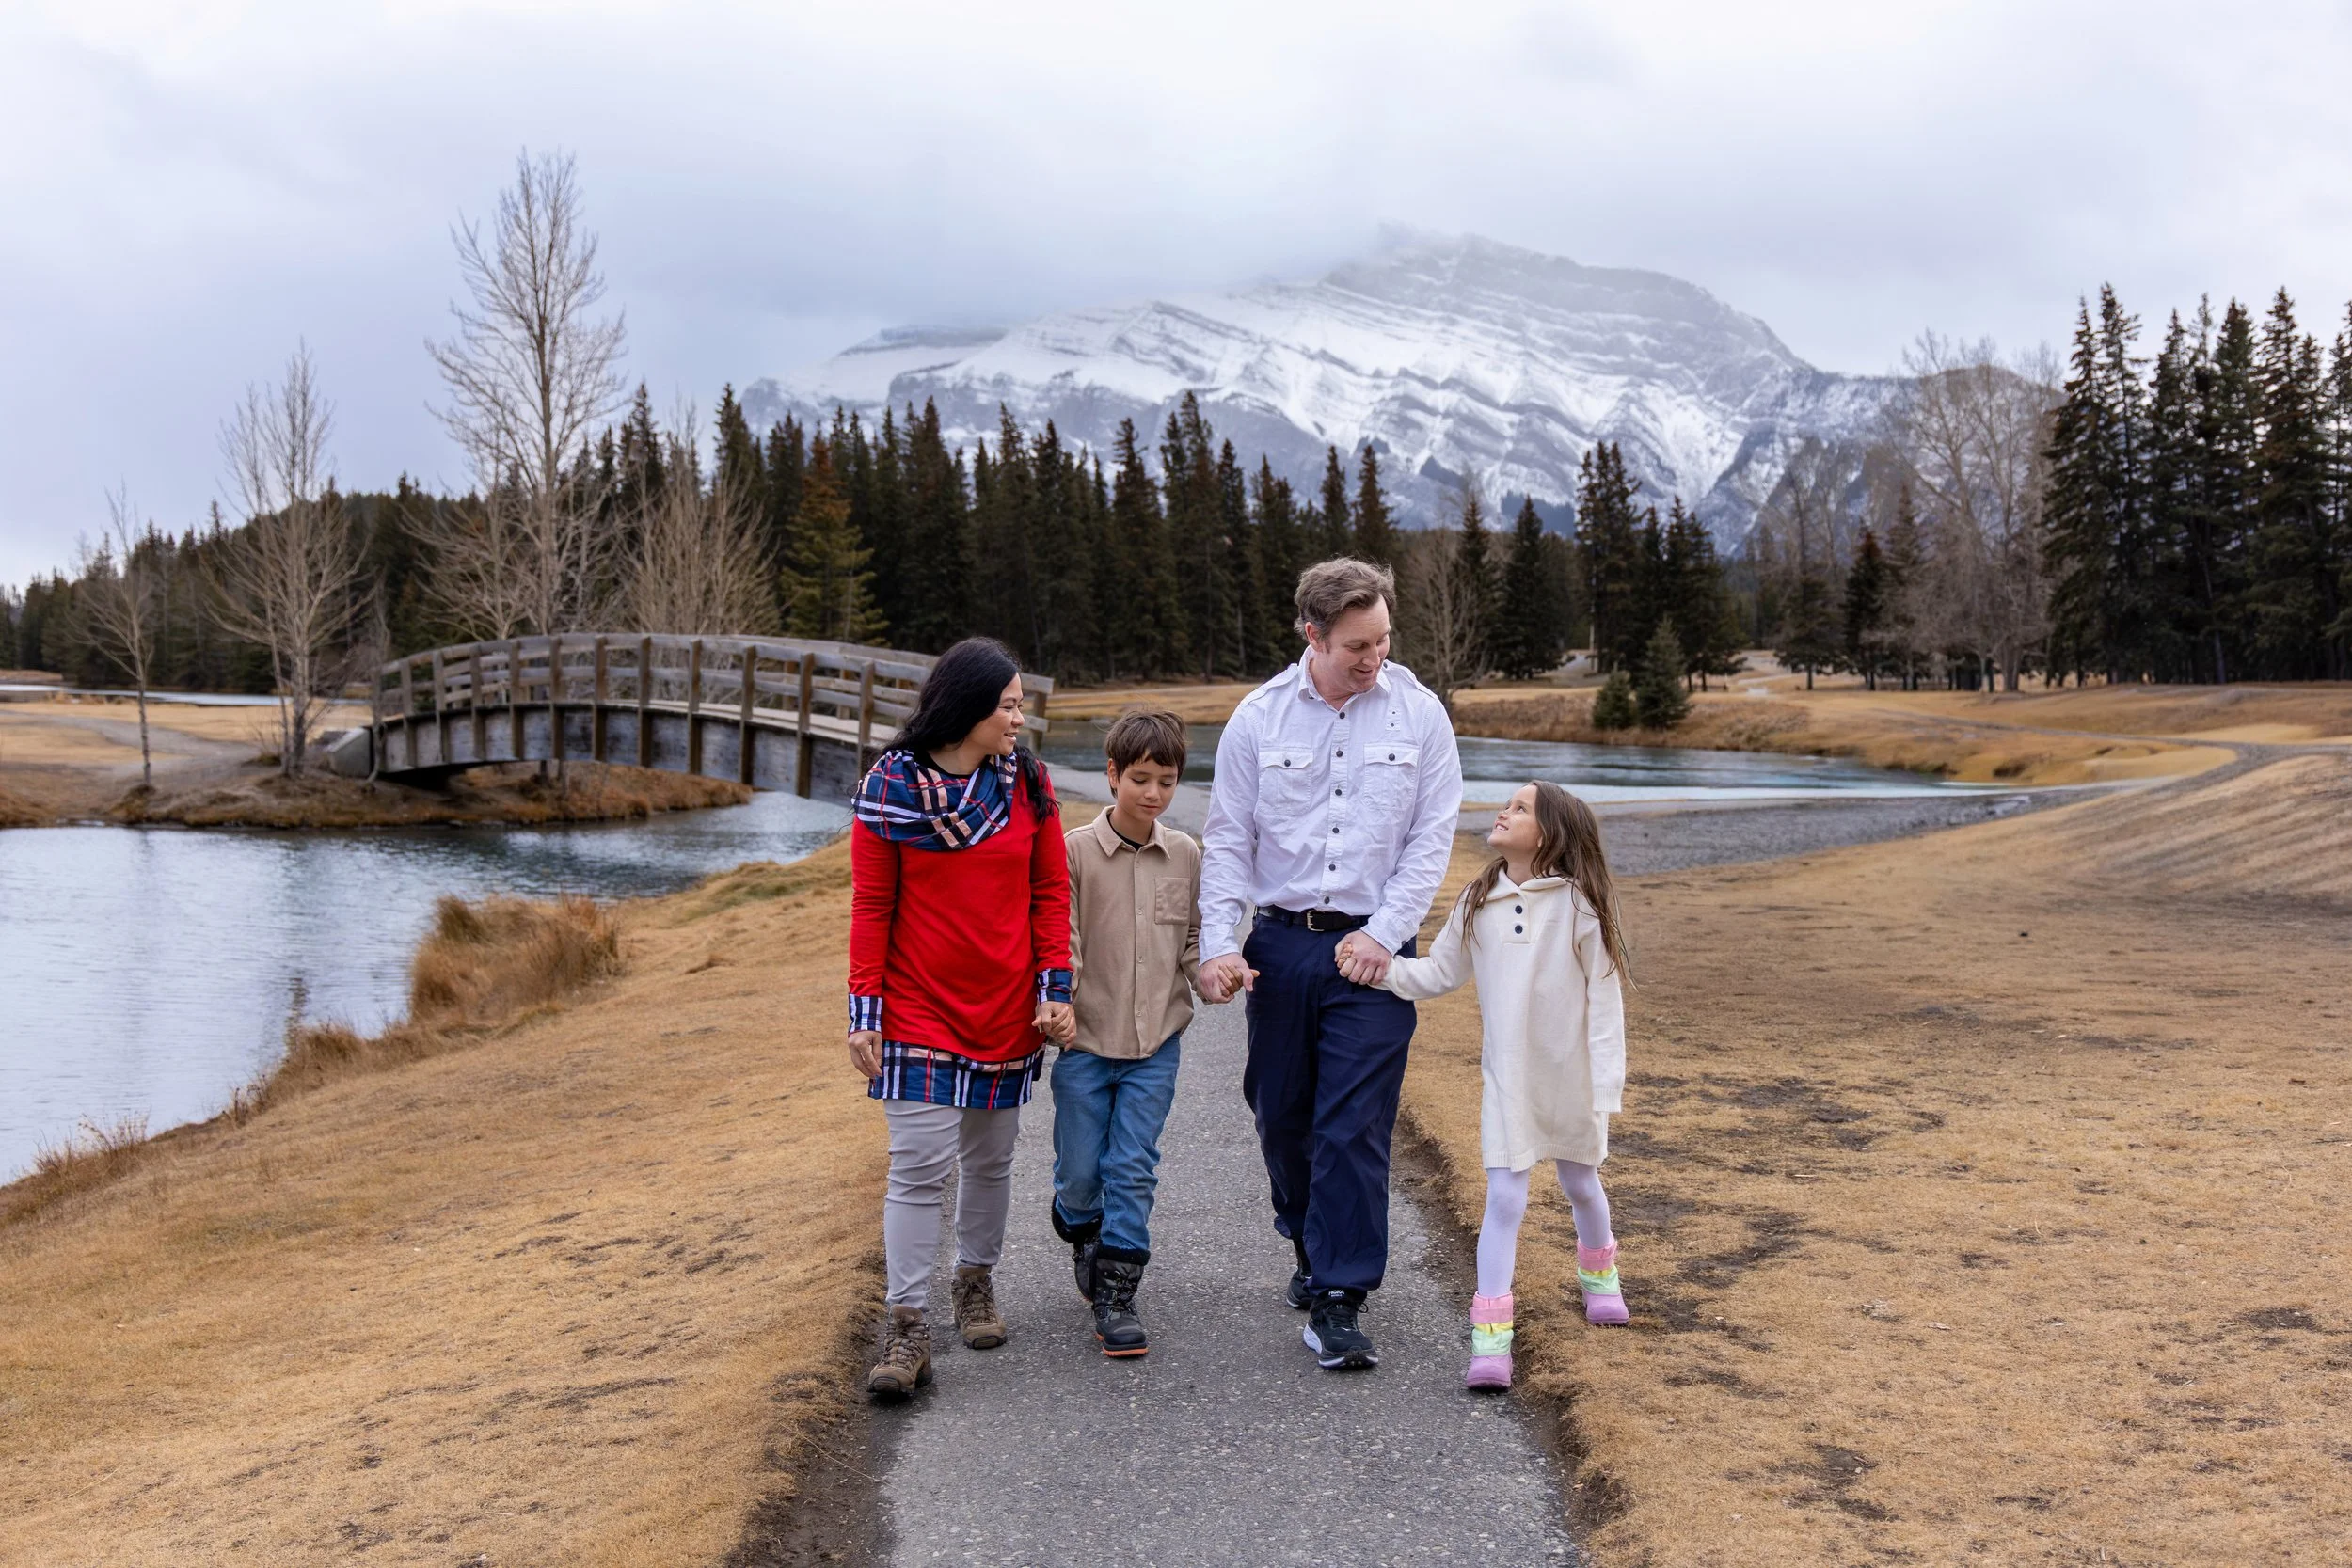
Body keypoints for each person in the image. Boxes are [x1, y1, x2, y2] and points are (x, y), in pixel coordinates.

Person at [1197, 557, 1464, 1370]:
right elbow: (1227, 839)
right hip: (1280, 944)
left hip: (1374, 955)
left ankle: (1340, 1293)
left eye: (1382, 639)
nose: (1373, 656)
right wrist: (1216, 942)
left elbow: (1431, 838)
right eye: (1356, 644)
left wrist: (1384, 934)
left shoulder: (1420, 717)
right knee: (1282, 1114)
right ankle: (1307, 1232)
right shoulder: (1257, 719)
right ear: (1311, 634)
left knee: (1352, 1126)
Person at [846, 637, 1073, 1400]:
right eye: (1008, 705)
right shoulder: (889, 789)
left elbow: (1049, 895)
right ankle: (906, 1323)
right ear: (969, 708)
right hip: (916, 1008)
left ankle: (974, 1280)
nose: (1018, 717)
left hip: (1005, 1006)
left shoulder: (1028, 785)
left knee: (990, 1159)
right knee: (917, 1167)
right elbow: (873, 906)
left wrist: (1055, 988)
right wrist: (864, 1011)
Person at [1369, 781, 1631, 1392]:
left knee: (1580, 1182)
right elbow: (1438, 971)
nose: (1502, 812)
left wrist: (1605, 1080)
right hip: (1508, 1077)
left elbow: (1605, 999)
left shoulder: (1582, 904)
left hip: (1571, 1076)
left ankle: (1601, 1278)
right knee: (1507, 1198)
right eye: (1505, 804)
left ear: (1549, 832)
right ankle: (1492, 1338)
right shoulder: (1479, 896)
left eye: (1518, 808)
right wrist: (1382, 969)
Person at [1053, 710, 1200, 1358]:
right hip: (1085, 1045)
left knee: (1132, 1166)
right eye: (1140, 778)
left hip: (1154, 1048)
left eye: (1166, 781)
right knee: (1082, 1174)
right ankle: (1080, 1223)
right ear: (1111, 774)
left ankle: (1118, 1292)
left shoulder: (1186, 854)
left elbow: (1193, 941)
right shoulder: (1074, 851)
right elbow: (1066, 937)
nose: (1152, 794)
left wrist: (1217, 974)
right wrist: (1058, 997)